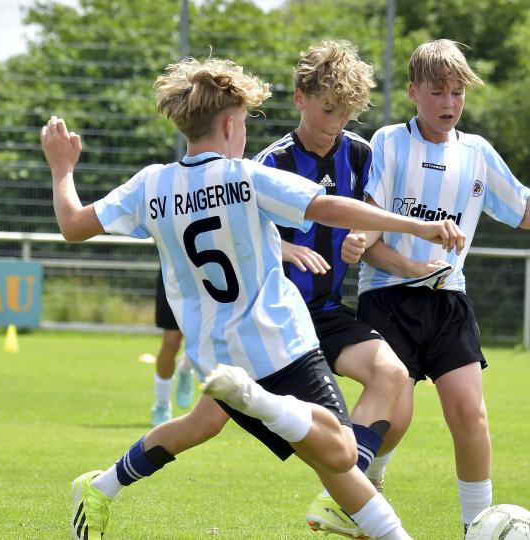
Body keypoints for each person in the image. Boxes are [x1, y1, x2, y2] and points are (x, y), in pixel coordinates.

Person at [41, 56, 465, 540]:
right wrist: (420, 225)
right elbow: (327, 206)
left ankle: (101, 487)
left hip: (216, 354)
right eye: (243, 122)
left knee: (209, 426)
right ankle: (260, 402)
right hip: (277, 341)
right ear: (229, 124)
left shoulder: (150, 184)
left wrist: (62, 169)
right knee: (343, 453)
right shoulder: (245, 176)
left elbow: (73, 225)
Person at [345, 39, 530, 535]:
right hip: (387, 298)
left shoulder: (477, 153)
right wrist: (403, 266)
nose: (448, 103)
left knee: (470, 414)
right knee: (395, 417)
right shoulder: (387, 143)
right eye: (438, 91)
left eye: (457, 93)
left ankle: (477, 527)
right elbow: (371, 239)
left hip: (449, 301)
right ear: (413, 92)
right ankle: (372, 476)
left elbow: (526, 215)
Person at [253, 40, 449, 538]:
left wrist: (362, 240)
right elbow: (236, 234)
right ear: (299, 97)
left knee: (392, 375)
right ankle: (107, 483)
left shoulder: (359, 155)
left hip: (324, 309)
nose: (334, 123)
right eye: (325, 110)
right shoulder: (270, 165)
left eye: (344, 113)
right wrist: (281, 249)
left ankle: (345, 496)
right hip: (274, 318)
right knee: (202, 423)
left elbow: (364, 218)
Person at [150, 268, 196, 426]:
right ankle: (162, 404)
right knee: (171, 341)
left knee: (202, 338)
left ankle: (185, 367)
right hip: (173, 274)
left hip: (205, 270)